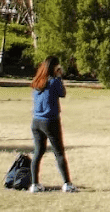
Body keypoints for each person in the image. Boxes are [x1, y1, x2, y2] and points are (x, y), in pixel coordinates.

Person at [29, 55, 76, 193]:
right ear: (55, 67)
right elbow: (62, 93)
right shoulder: (54, 81)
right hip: (50, 121)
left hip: (36, 121)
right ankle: (67, 183)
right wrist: (60, 77)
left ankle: (34, 184)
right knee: (59, 152)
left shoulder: (37, 82)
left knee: (38, 152)